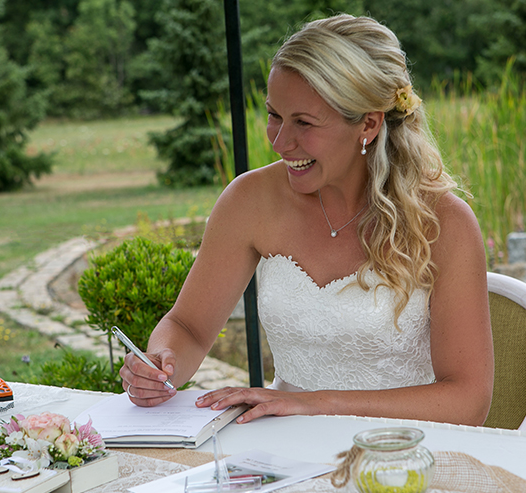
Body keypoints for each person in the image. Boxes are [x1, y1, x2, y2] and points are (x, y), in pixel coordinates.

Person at [119, 14, 494, 426]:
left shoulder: (443, 223)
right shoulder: (248, 202)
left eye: (304, 122)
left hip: (404, 452)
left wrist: (315, 403)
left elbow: (468, 401)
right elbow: (188, 326)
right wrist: (161, 362)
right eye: (274, 115)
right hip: (281, 449)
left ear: (368, 123)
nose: (280, 142)